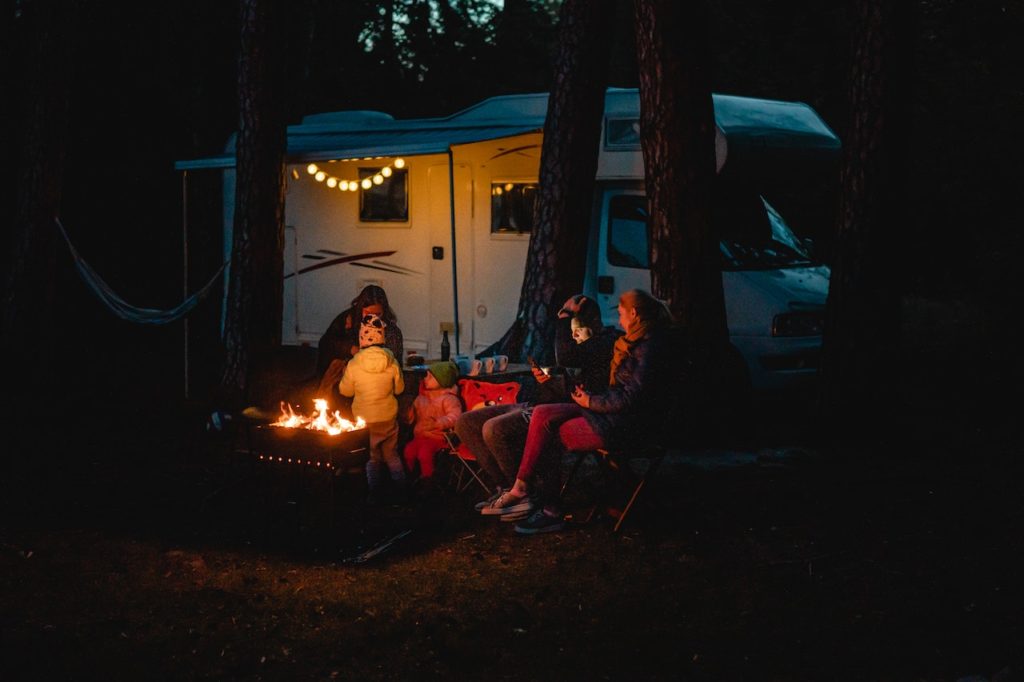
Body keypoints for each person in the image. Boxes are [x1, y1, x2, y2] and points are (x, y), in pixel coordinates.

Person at [481, 289, 674, 535]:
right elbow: (617, 391)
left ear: (634, 314)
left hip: (628, 426)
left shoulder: (647, 347)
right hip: (609, 414)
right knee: (542, 415)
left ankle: (549, 508)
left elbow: (630, 397)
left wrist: (590, 401)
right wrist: (562, 388)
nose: (620, 318)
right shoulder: (632, 342)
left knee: (548, 429)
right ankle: (524, 489)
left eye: (622, 313)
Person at [456, 293, 617, 511]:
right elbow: (565, 387)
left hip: (573, 411)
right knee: (466, 422)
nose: (574, 336)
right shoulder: (583, 346)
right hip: (546, 403)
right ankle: (504, 487)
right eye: (571, 332)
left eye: (577, 330)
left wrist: (563, 317)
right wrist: (547, 381)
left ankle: (524, 493)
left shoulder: (604, 343)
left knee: (493, 429)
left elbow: (568, 360)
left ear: (594, 324)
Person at [339, 312, 407, 505]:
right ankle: (402, 491)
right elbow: (400, 389)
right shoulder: (391, 362)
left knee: (372, 458)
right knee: (392, 455)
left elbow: (345, 391)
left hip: (365, 421)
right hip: (388, 418)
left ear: (362, 338)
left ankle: (374, 493)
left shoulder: (354, 364)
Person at [317, 285, 404, 414]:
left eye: (378, 314)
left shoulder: (391, 331)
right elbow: (326, 343)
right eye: (368, 314)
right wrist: (349, 349)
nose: (373, 318)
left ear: (384, 312)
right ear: (360, 308)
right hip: (348, 377)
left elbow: (396, 365)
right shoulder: (347, 320)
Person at [402, 361, 462, 498]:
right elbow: (413, 415)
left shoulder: (449, 399)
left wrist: (439, 423)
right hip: (421, 436)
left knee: (424, 453)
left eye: (430, 376)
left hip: (438, 437)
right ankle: (411, 478)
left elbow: (455, 416)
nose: (425, 378)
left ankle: (427, 482)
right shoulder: (421, 398)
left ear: (442, 380)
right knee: (408, 451)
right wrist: (409, 415)